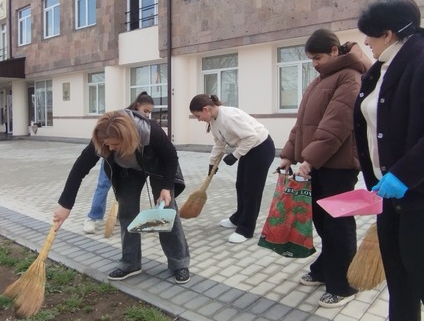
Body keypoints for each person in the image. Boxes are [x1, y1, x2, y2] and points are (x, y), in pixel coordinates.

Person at [353, 0, 424, 321]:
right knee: (399, 277)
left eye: (369, 35)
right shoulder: (383, 69)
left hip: (423, 196)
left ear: (388, 34)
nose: (366, 42)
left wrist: (403, 174)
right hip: (388, 195)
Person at [278, 29, 371, 308]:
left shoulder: (349, 77)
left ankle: (343, 285)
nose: (314, 63)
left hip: (338, 167)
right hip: (316, 164)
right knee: (321, 221)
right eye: (310, 59)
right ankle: (324, 269)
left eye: (317, 57)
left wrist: (309, 160)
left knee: (337, 225)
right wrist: (288, 155)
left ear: (334, 50)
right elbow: (302, 123)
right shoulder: (319, 81)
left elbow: (336, 125)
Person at [53, 109, 191, 284]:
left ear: (128, 138)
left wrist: (166, 187)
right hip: (126, 170)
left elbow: (171, 157)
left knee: (166, 212)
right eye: (107, 145)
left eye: (115, 144)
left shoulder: (149, 132)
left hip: (158, 167)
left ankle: (179, 263)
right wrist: (65, 206)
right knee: (126, 211)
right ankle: (130, 263)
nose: (110, 148)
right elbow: (79, 169)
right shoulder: (102, 138)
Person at [189, 94, 275, 244]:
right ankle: (239, 218)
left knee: (251, 190)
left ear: (206, 109)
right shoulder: (214, 121)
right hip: (248, 149)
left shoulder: (229, 117)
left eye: (198, 116)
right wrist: (212, 163)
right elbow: (219, 143)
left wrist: (235, 155)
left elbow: (252, 136)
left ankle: (246, 229)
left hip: (261, 148)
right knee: (240, 185)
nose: (198, 119)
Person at [84, 92, 155, 234]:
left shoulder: (143, 125)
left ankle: (120, 215)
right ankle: (92, 217)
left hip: (127, 162)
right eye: (145, 111)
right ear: (137, 106)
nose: (147, 114)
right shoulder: (121, 118)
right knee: (103, 185)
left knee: (123, 189)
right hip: (111, 158)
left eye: (149, 112)